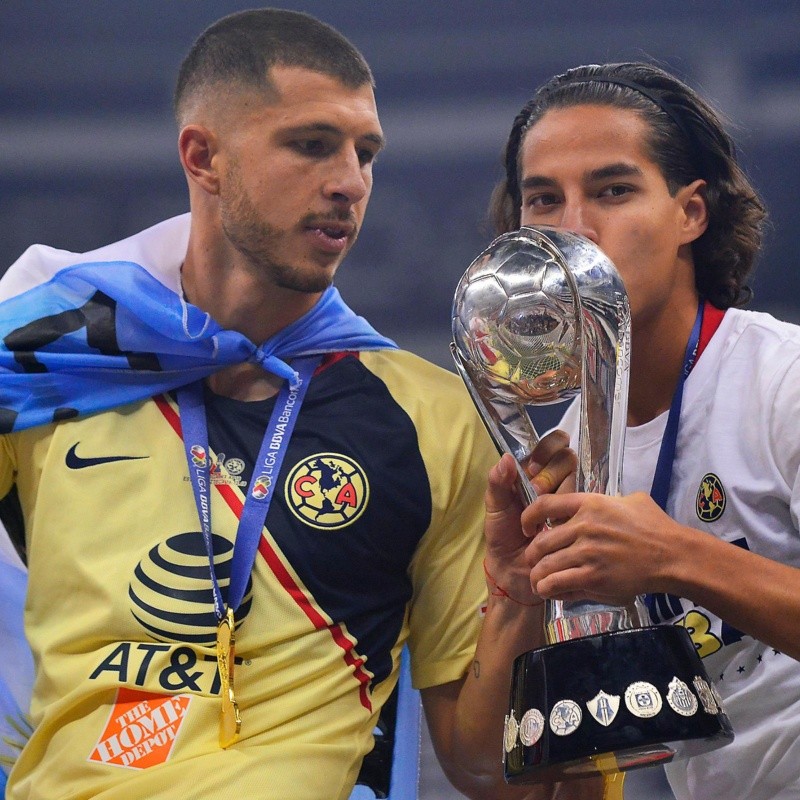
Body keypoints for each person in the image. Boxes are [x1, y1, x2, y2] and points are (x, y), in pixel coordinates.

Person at [0, 8, 575, 800]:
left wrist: (517, 602)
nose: (350, 182)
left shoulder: (433, 420)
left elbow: (487, 772)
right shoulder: (45, 367)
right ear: (203, 157)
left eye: (365, 153)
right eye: (311, 145)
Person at [484, 60, 800, 799]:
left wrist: (675, 556)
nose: (575, 229)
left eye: (613, 190)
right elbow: (513, 779)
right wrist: (520, 598)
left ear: (691, 213)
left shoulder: (782, 379)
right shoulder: (552, 452)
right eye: (543, 200)